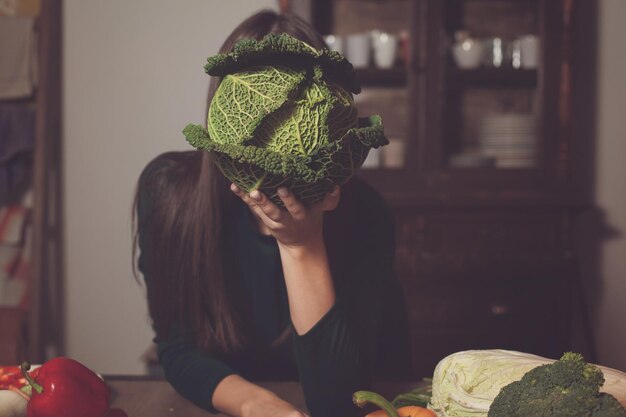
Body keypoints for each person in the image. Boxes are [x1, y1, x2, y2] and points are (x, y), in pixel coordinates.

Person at [133, 10, 411, 417]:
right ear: (220, 107)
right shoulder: (169, 192)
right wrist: (253, 403)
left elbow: (338, 402)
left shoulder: (368, 214)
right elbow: (178, 349)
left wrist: (302, 245)